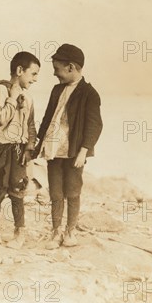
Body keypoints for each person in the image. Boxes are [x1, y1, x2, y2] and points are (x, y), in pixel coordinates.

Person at [34, 44, 103, 249]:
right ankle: (56, 232)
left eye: (57, 69)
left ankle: (70, 231)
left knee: (72, 191)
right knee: (56, 192)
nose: (55, 74)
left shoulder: (90, 94)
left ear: (71, 67)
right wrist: (38, 144)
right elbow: (48, 119)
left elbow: (95, 125)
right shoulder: (57, 90)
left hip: (74, 152)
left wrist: (84, 151)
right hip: (54, 149)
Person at [0, 51, 40, 249]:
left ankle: (19, 232)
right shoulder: (1, 90)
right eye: (32, 74)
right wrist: (13, 98)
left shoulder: (29, 98)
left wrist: (29, 149)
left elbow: (31, 126)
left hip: (18, 150)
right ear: (19, 70)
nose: (35, 79)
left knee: (18, 190)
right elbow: (1, 118)